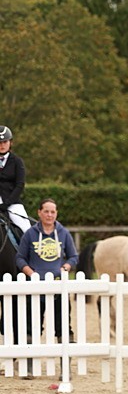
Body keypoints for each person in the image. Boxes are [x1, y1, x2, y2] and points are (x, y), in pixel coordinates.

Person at [15, 198, 78, 342]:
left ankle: (65, 350)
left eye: (52, 212)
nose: (49, 215)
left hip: (58, 285)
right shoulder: (30, 234)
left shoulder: (64, 233)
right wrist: (30, 273)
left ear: (56, 213)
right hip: (35, 287)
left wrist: (65, 268)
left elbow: (73, 256)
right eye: (46, 211)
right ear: (39, 212)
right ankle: (29, 351)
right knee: (32, 324)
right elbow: (20, 258)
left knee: (63, 323)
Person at [0, 125, 31, 235]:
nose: (2, 145)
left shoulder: (17, 161)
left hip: (12, 203)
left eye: (5, 142)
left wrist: (7, 203)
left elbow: (20, 185)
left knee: (26, 229)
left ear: (10, 142)